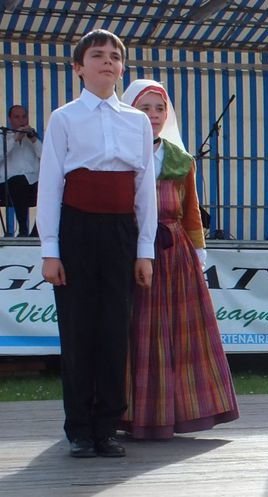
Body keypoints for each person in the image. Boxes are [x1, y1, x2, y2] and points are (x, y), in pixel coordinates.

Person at [38, 29, 157, 458]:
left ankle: (107, 425)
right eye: (97, 55)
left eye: (115, 56)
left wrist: (144, 252)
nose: (107, 61)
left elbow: (144, 189)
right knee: (78, 329)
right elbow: (50, 184)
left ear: (122, 67)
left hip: (120, 232)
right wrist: (50, 249)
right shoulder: (64, 118)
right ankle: (79, 429)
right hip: (77, 230)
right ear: (78, 67)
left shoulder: (137, 120)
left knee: (113, 330)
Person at [120, 79, 239, 439]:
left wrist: (198, 257)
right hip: (132, 252)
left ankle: (180, 412)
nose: (154, 115)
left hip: (175, 256)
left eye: (160, 109)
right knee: (136, 333)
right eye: (146, 108)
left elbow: (191, 214)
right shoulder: (118, 154)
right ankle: (131, 414)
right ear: (130, 111)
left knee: (179, 336)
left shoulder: (180, 158)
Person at [0, 104, 41, 236]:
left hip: (31, 184)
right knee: (18, 181)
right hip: (6, 187)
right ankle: (23, 229)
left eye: (24, 117)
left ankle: (36, 232)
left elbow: (47, 159)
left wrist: (34, 140)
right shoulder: (3, 137)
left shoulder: (33, 139)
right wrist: (14, 139)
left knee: (53, 188)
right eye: (17, 117)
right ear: (10, 119)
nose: (21, 120)